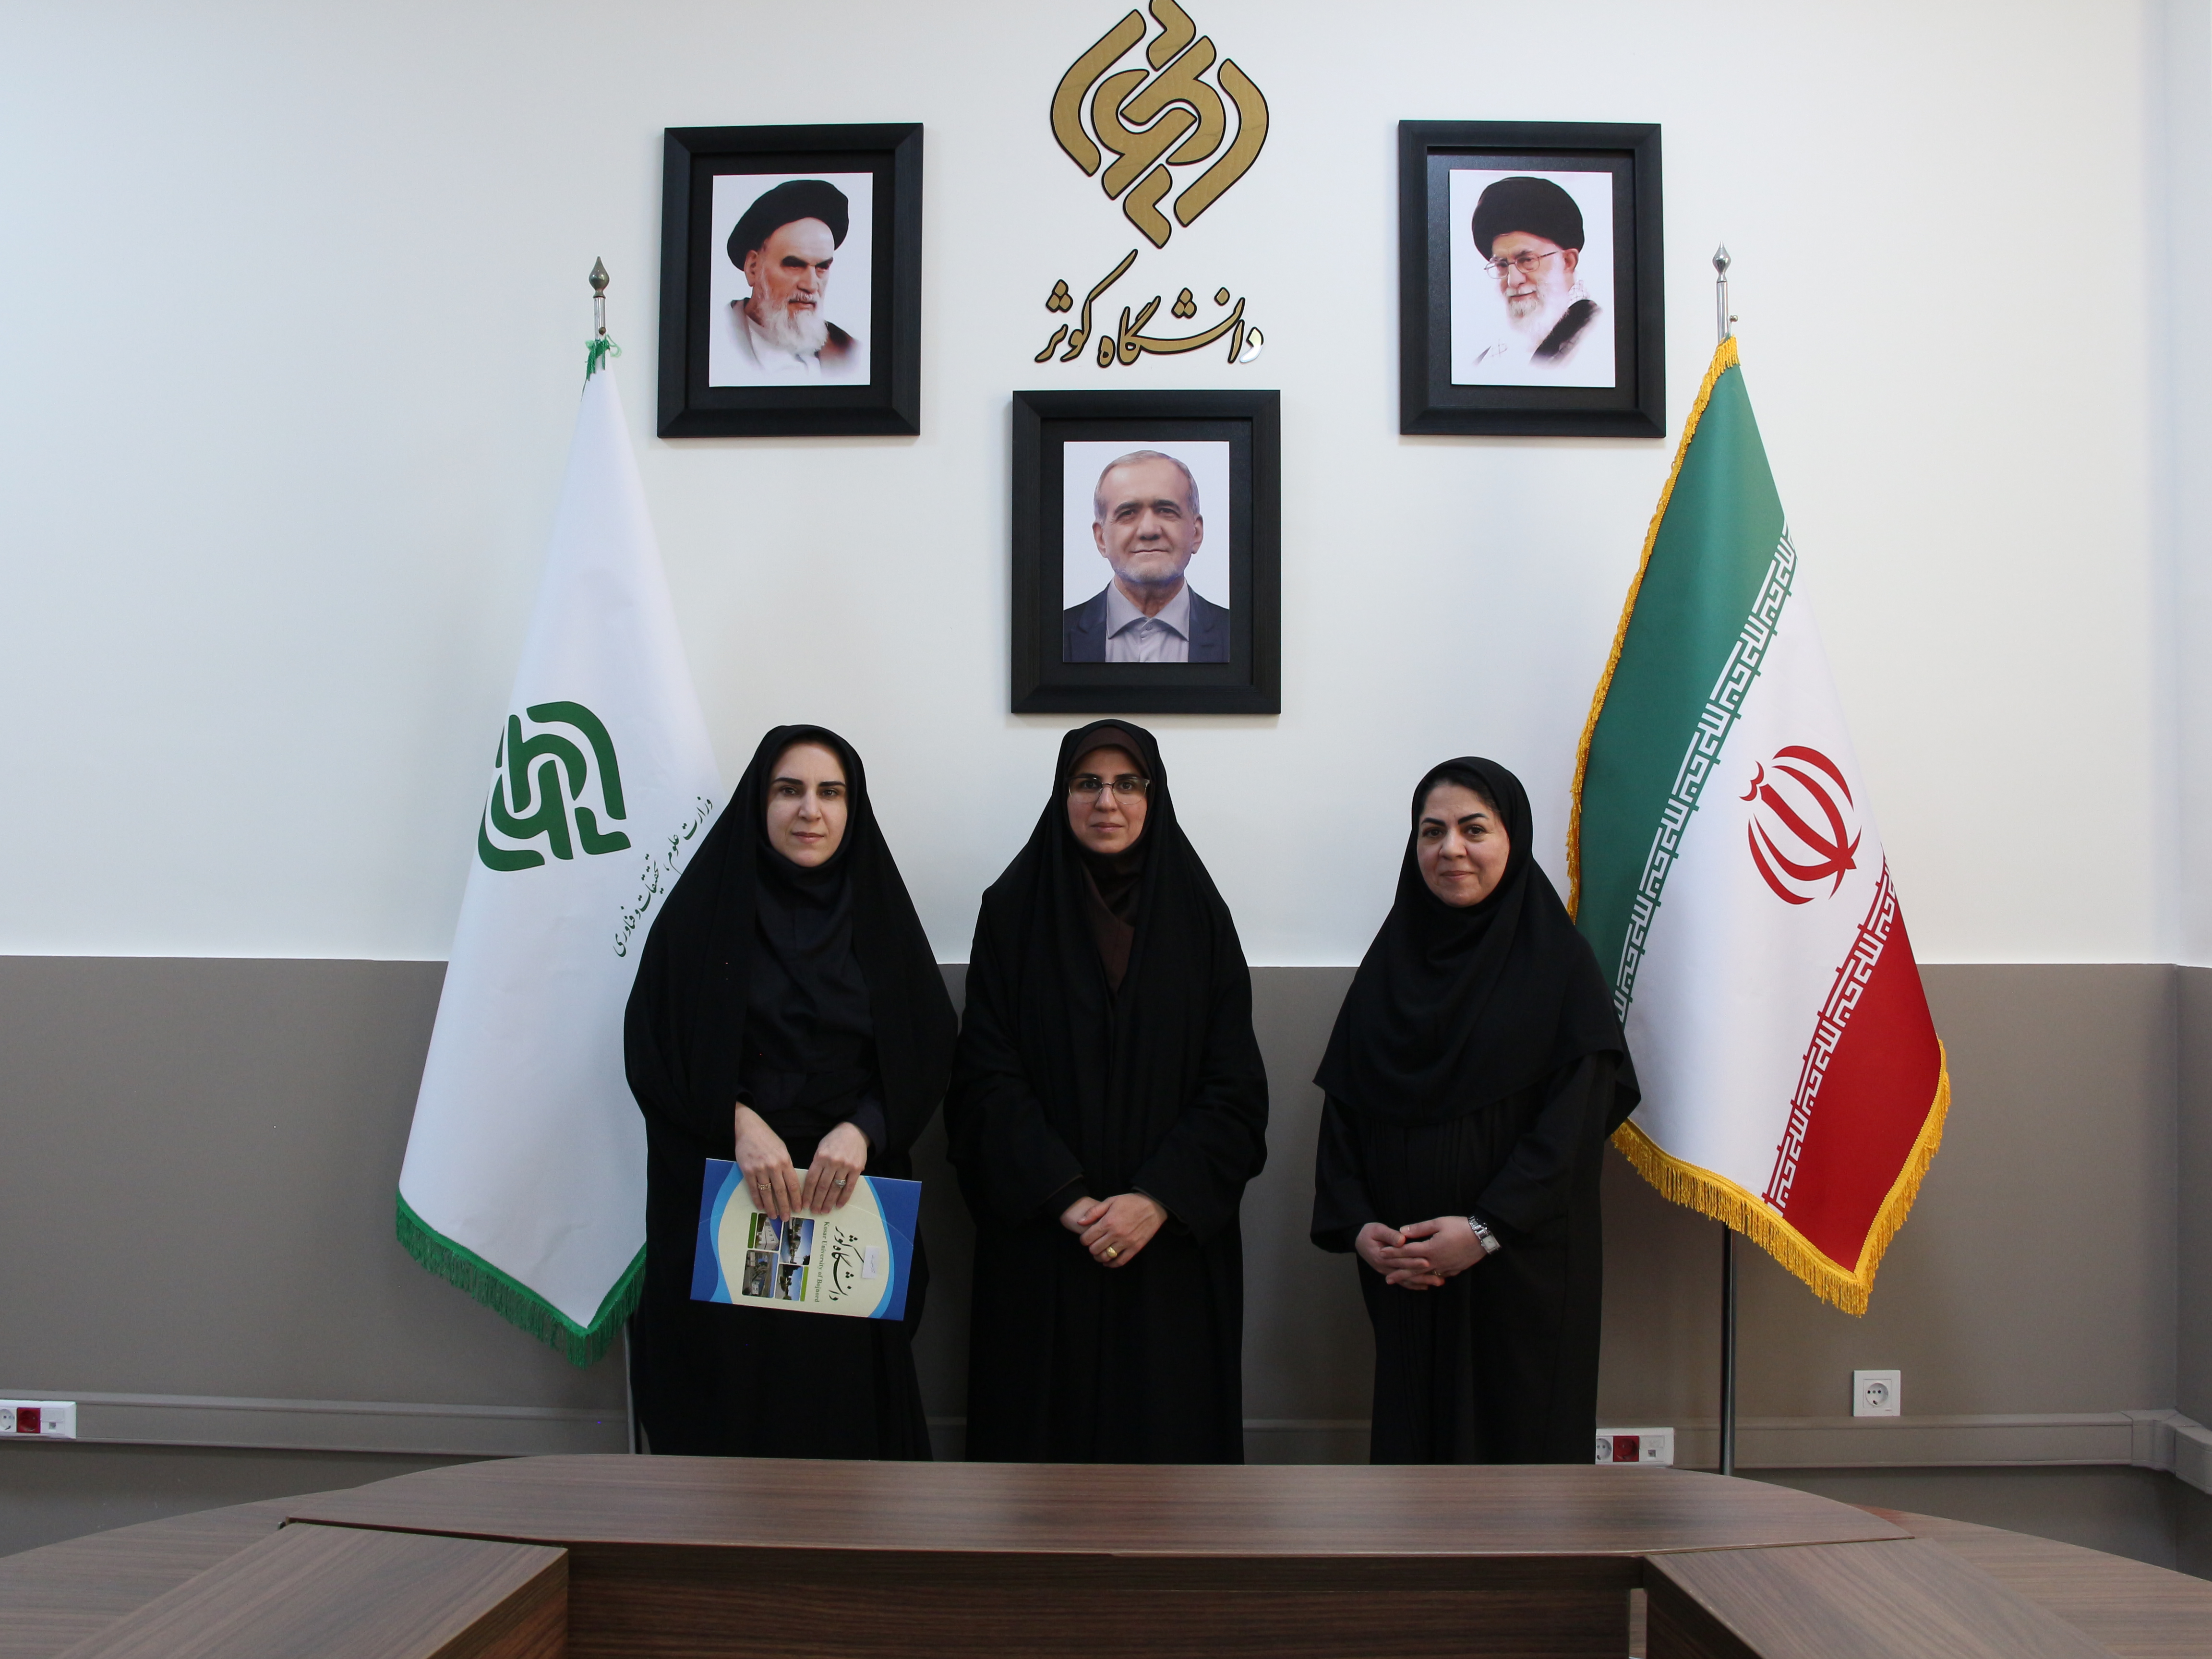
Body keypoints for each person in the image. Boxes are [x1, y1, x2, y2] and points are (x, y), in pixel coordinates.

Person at [624, 725, 955, 1457]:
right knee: (731, 1423)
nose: (810, 810)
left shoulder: (882, 919)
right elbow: (656, 1051)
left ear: (852, 810)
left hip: (848, 1207)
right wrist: (737, 1123)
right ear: (758, 803)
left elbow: (927, 1047)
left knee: (845, 1422)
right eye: (788, 790)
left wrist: (865, 1130)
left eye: (831, 793)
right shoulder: (701, 918)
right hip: (730, 1199)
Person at [947, 721, 1268, 1461]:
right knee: (1036, 1470)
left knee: (1167, 1466)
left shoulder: (1201, 917)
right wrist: (1065, 1197)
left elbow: (1234, 1089)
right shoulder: (1012, 911)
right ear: (1062, 795)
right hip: (1043, 1242)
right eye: (1087, 783)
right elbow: (985, 1078)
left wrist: (1155, 1200)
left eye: (1128, 784)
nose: (1107, 801)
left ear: (1154, 797)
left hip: (1170, 1251)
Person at [1310, 757, 1638, 1464]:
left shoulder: (1562, 969)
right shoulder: (1389, 967)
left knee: (1521, 1469)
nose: (1451, 849)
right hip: (1407, 1278)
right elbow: (1344, 1118)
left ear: (1513, 839)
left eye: (1474, 829)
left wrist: (1485, 1231)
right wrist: (1360, 1229)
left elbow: (1571, 1131)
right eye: (1432, 832)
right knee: (1415, 1467)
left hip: (1524, 1278)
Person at [1061, 451, 1231, 663]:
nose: (1149, 530)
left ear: (1196, 533)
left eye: (1166, 510)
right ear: (1101, 538)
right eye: (1128, 513)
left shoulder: (1244, 637)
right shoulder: (1048, 636)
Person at [722, 179, 864, 382]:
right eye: (794, 265)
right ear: (753, 268)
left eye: (822, 267)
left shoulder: (850, 351)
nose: (811, 285)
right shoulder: (716, 340)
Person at [1465, 176, 1604, 376]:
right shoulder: (1491, 358)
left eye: (1527, 260)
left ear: (1567, 262)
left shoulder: (1596, 338)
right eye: (1502, 265)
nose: (1513, 280)